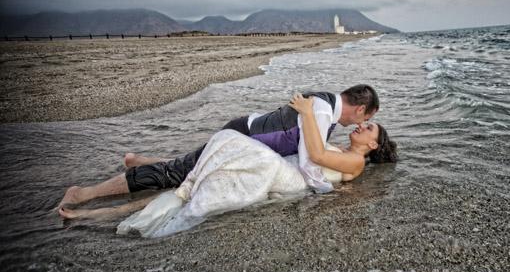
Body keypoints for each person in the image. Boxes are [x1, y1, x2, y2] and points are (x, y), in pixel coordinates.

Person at [58, 94, 398, 237]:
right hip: (275, 169)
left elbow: (318, 157)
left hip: (278, 176)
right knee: (198, 173)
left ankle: (95, 210)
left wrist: (308, 113)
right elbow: (314, 154)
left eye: (368, 129)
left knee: (190, 184)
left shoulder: (355, 162)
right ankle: (128, 178)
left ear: (372, 146)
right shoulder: (343, 145)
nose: (361, 127)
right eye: (366, 121)